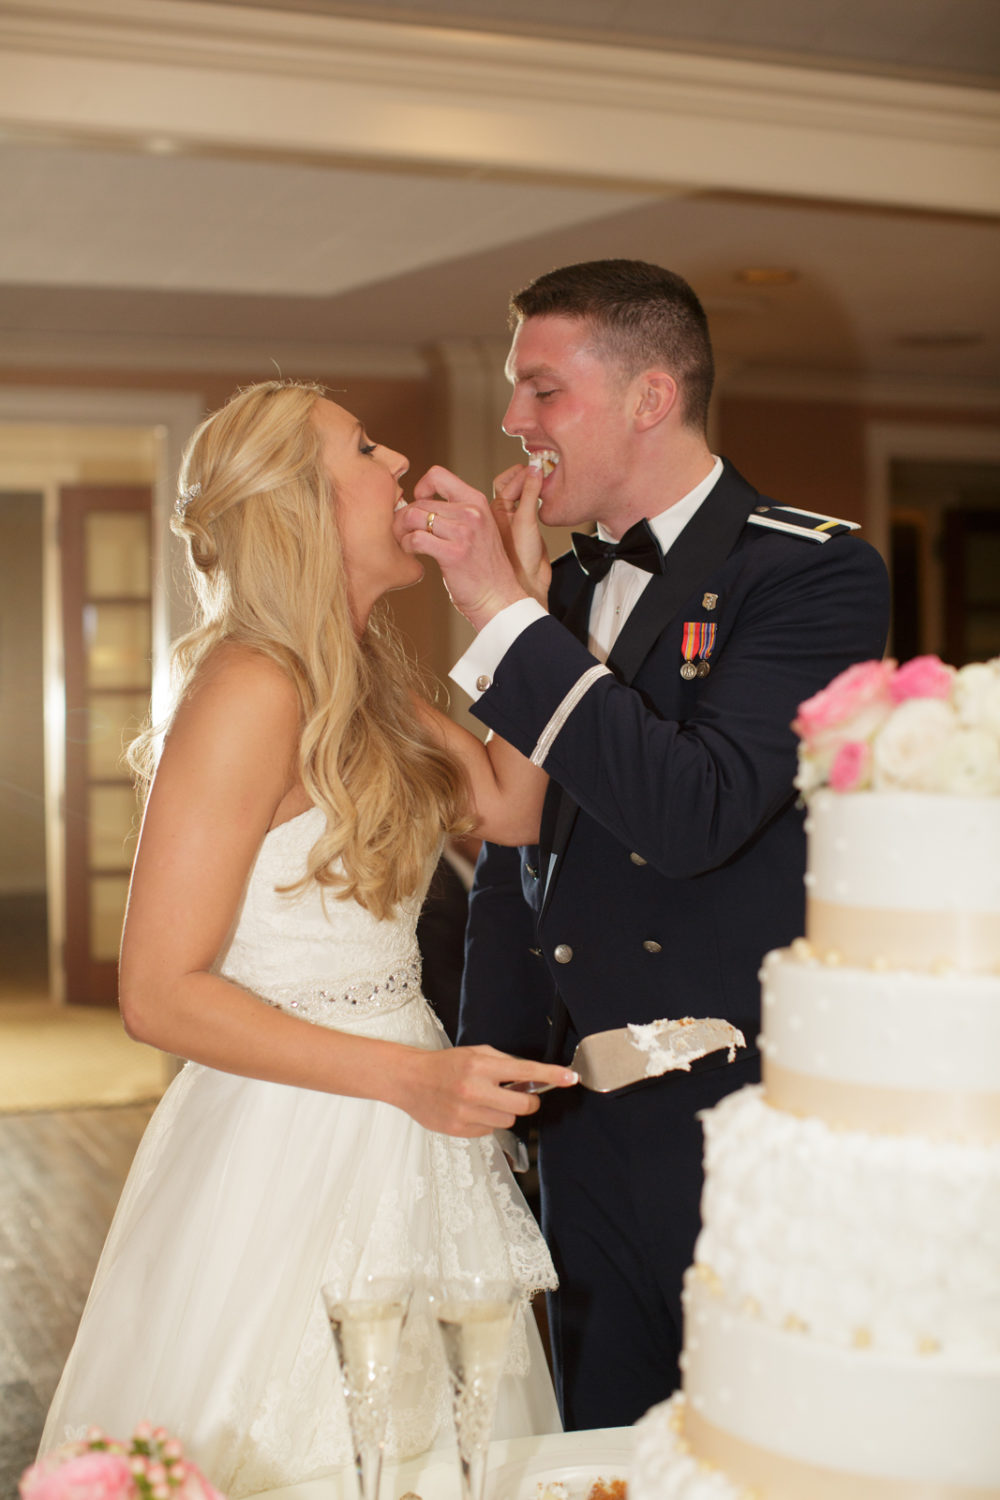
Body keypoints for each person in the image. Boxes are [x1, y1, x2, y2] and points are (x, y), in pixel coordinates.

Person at [39, 381, 577, 1497]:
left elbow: (515, 807)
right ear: (303, 507)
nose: (400, 463)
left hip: (407, 1123)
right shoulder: (248, 687)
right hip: (297, 1136)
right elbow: (159, 993)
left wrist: (510, 601)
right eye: (367, 448)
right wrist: (410, 1079)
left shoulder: (366, 677)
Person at [394, 258, 892, 1430]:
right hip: (572, 1115)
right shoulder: (554, 594)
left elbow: (694, 814)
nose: (515, 423)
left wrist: (502, 614)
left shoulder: (812, 571)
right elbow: (522, 841)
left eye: (542, 390)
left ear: (649, 398)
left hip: (726, 1118)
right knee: (599, 1439)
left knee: (746, 1433)